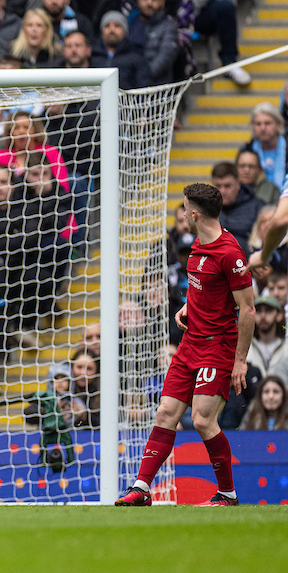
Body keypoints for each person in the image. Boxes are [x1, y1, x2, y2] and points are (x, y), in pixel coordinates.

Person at [116, 183, 255, 507]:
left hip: (218, 345)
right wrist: (188, 307)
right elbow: (203, 289)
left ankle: (227, 493)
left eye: (183, 207)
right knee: (165, 412)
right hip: (190, 344)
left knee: (204, 419)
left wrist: (240, 361)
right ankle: (141, 488)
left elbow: (247, 310)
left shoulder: (230, 253)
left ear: (193, 213)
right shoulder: (195, 245)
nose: (181, 213)